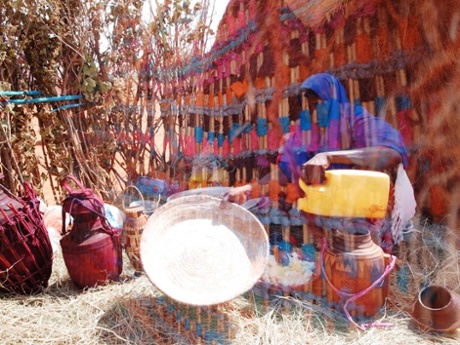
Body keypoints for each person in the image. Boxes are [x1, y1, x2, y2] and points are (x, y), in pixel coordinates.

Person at [227, 73, 416, 253]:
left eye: (319, 104)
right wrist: (247, 189)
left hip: (366, 214)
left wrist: (331, 157)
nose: (315, 111)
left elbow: (391, 154)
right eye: (309, 106)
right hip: (327, 216)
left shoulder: (356, 120)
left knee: (364, 263)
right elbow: (286, 173)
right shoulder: (306, 131)